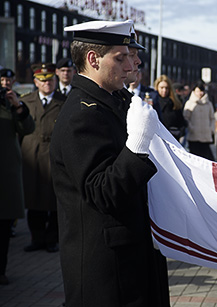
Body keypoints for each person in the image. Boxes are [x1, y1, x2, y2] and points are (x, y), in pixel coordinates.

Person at [49, 20, 170, 306]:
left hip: (130, 257)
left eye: (132, 55)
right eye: (122, 56)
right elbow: (103, 191)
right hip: (107, 270)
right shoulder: (82, 114)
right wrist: (137, 144)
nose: (133, 64)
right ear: (93, 59)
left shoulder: (112, 101)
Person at [21, 63, 66, 253]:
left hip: (53, 154)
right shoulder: (26, 101)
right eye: (43, 80)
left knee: (53, 200)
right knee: (34, 200)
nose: (47, 84)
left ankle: (51, 240)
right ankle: (37, 238)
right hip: (31, 153)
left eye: (50, 80)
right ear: (36, 82)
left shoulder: (63, 101)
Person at [0, 68, 35, 285]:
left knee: (3, 227)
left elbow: (27, 128)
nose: (4, 84)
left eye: (7, 80)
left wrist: (17, 107)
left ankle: (1, 270)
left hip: (5, 173)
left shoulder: (10, 104)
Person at [183, 80, 215, 160]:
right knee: (195, 159)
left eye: (201, 91)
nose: (200, 93)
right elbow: (186, 118)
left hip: (206, 136)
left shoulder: (208, 104)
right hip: (194, 136)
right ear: (194, 91)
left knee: (206, 159)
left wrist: (211, 129)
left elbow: (212, 118)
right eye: (198, 91)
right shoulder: (189, 103)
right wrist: (191, 128)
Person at [154, 75, 187, 141]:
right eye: (162, 87)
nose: (164, 90)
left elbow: (181, 122)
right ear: (157, 87)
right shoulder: (153, 102)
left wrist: (179, 132)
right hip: (156, 139)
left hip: (172, 138)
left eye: (167, 88)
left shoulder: (174, 102)